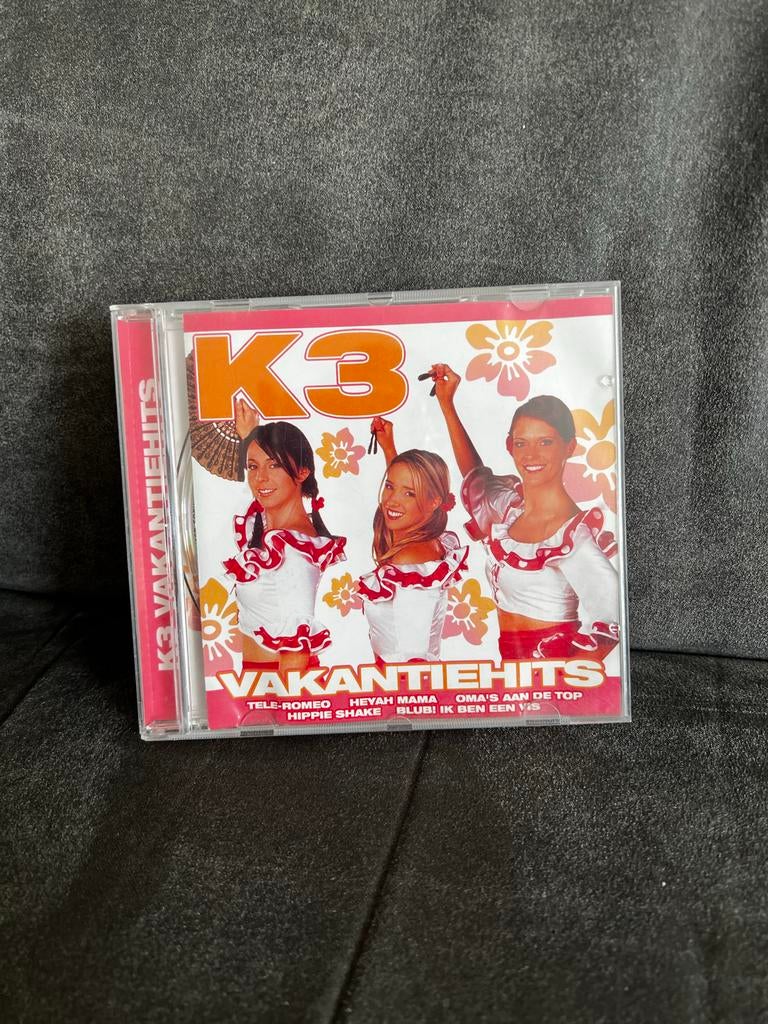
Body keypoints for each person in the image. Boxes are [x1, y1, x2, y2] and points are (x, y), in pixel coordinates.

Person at [429, 364, 620, 661]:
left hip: (550, 665)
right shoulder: (510, 510)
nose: (531, 455)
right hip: (511, 663)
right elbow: (475, 476)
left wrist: (566, 677)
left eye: (545, 442)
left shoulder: (573, 539)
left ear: (569, 447)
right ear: (510, 446)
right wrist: (447, 403)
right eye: (521, 443)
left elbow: (612, 620)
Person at [223, 400, 346, 674]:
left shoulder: (294, 551)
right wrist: (249, 437)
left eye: (274, 465)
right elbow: (252, 498)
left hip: (278, 683)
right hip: (258, 678)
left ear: (302, 472)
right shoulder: (266, 526)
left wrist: (282, 701)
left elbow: (296, 654)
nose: (260, 478)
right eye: (253, 466)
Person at [357, 416, 468, 665]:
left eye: (409, 493)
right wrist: (389, 449)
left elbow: (413, 659)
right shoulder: (428, 541)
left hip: (404, 685)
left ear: (434, 502)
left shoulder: (410, 561)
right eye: (389, 486)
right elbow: (400, 503)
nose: (391, 501)